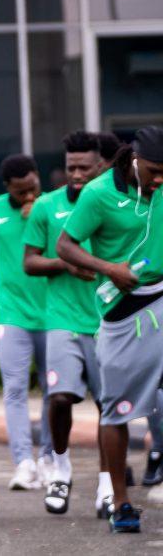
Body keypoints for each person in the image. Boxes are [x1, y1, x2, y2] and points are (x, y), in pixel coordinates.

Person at [57, 126, 163, 533]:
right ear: (135, 160)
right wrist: (108, 269)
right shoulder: (99, 194)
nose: (158, 180)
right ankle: (120, 502)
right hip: (122, 313)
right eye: (153, 171)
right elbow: (66, 245)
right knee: (116, 409)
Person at [22, 130, 112, 515]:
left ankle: (108, 484)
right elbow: (30, 261)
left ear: (101, 166)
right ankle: (60, 469)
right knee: (59, 398)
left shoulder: (114, 203)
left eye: (84, 167)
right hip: (61, 318)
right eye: (71, 167)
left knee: (111, 406)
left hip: (109, 321)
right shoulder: (47, 206)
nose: (77, 174)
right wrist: (66, 263)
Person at [0, 154, 52, 490]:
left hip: (54, 314)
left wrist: (38, 215)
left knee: (56, 390)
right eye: (21, 191)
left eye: (32, 187)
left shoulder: (53, 206)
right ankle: (24, 462)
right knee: (15, 390)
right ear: (7, 187)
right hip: (11, 314)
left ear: (39, 177)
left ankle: (50, 458)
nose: (28, 196)